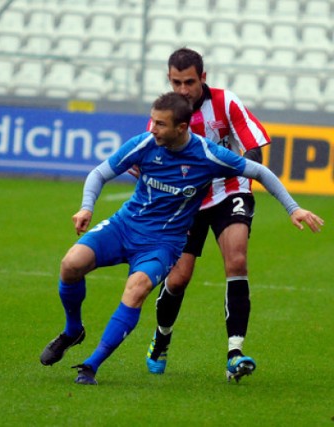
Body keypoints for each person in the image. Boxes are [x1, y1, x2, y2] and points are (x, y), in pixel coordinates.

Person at [39, 92, 323, 385]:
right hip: (124, 226)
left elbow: (259, 171)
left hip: (163, 244)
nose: (154, 129)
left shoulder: (207, 154)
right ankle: (73, 330)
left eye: (161, 124)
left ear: (182, 128)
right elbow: (99, 173)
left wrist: (293, 208)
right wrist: (87, 206)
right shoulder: (144, 143)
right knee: (70, 264)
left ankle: (91, 365)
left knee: (136, 289)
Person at [144, 48, 272, 382]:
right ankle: (162, 336)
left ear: (203, 78)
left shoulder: (225, 102)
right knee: (178, 278)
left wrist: (244, 166)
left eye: (189, 82)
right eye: (176, 82)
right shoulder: (167, 113)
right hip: (188, 200)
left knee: (237, 261)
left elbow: (253, 145)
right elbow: (148, 159)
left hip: (230, 189)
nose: (183, 89)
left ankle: (235, 352)